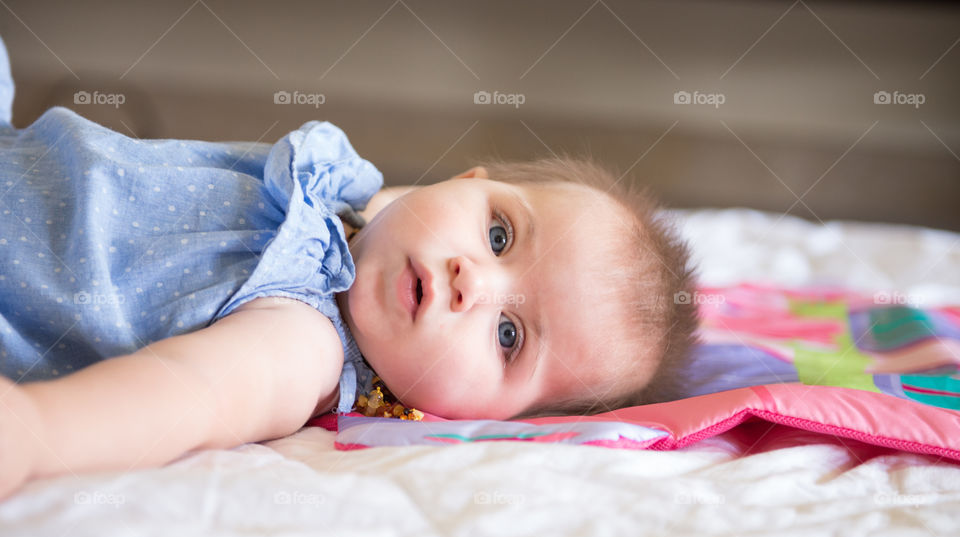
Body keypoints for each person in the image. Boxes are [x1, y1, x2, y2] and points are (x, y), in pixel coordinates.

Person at [0, 35, 699, 499]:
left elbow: (190, 393)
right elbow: (400, 206)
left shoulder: (303, 336)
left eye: (510, 335)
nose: (472, 281)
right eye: (498, 231)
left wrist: (34, 431)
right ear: (463, 178)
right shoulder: (349, 198)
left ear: (477, 415)